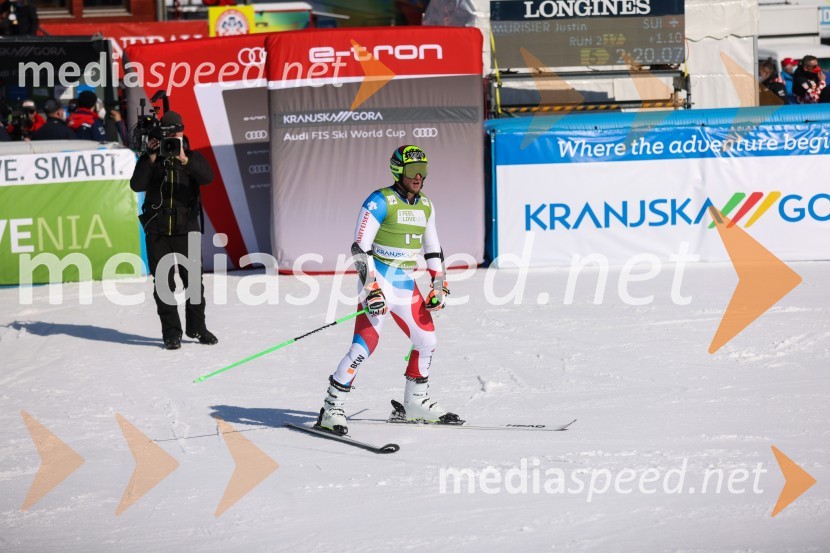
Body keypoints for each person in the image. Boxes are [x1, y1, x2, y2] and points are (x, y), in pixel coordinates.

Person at [315, 145, 461, 435]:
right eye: (411, 171)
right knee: (364, 346)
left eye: (423, 170)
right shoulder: (379, 201)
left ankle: (415, 403)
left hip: (405, 282)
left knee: (427, 340)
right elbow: (360, 248)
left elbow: (432, 248)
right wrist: (371, 288)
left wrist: (438, 283)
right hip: (378, 281)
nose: (418, 176)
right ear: (398, 171)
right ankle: (331, 409)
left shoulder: (426, 205)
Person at [129, 111, 218, 350]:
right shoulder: (152, 159)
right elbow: (136, 185)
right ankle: (171, 333)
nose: (172, 140)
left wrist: (183, 158)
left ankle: (197, 328)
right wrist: (149, 157)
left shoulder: (191, 157)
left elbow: (207, 178)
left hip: (186, 227)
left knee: (194, 284)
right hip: (157, 229)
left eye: (176, 134)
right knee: (163, 284)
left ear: (182, 133)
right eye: (168, 135)